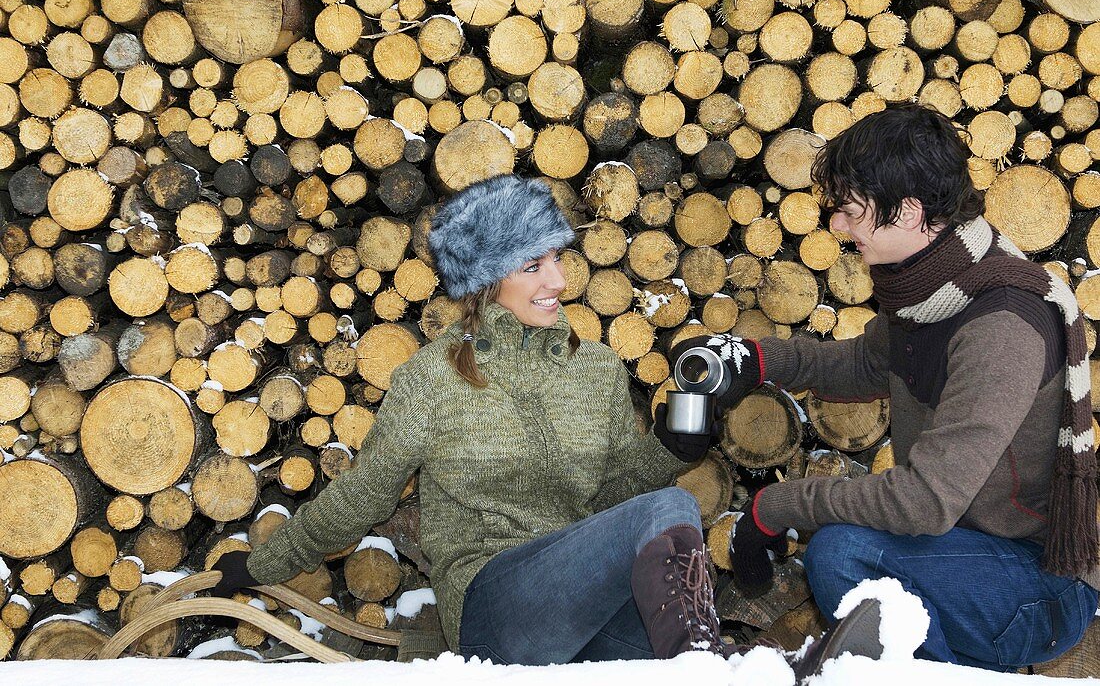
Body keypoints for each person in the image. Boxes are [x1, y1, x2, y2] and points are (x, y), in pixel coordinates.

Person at [209, 174, 881, 670]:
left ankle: (768, 672)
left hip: (580, 606)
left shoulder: (593, 366)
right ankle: (704, 670)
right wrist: (262, 563)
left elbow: (618, 496)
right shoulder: (432, 376)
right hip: (494, 611)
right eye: (533, 265)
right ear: (483, 281)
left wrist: (673, 445)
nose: (558, 277)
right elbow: (363, 495)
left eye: (557, 257)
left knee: (670, 592)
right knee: (672, 511)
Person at [675, 104, 1100, 671]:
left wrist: (776, 505)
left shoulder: (1000, 324)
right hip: (967, 546)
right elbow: (864, 365)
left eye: (850, 212)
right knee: (847, 551)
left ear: (909, 212)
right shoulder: (934, 290)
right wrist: (752, 359)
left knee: (844, 555)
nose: (836, 227)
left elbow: (925, 501)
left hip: (1036, 579)